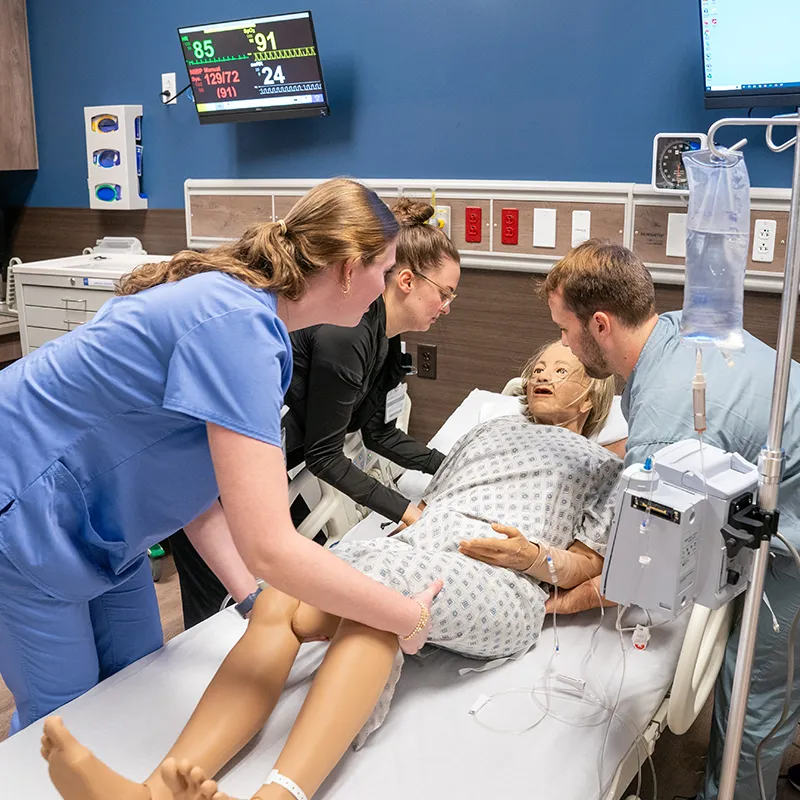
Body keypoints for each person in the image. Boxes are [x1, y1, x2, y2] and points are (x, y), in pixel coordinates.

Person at [39, 341, 622, 800]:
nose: (544, 375)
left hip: (503, 579)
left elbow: (590, 568)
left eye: (564, 370)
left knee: (374, 602)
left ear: (592, 397)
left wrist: (535, 558)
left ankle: (276, 795)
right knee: (280, 599)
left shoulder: (600, 462)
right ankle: (161, 786)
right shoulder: (489, 428)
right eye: (540, 366)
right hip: (419, 548)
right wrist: (406, 534)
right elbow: (436, 500)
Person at [0, 178, 442, 739]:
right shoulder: (237, 326)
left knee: (135, 683)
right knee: (64, 724)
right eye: (385, 269)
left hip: (106, 525)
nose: (385, 286)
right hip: (24, 516)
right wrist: (407, 616)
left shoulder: (254, 318)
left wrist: (253, 598)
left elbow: (194, 481)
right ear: (351, 268)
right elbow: (272, 546)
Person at [538, 238, 800, 800]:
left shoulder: (668, 407)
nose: (561, 343)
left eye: (564, 330)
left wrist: (566, 599)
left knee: (756, 695)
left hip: (792, 539)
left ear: (601, 324)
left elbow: (641, 568)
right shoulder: (680, 329)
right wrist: (593, 456)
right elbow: (662, 440)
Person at [171, 198, 462, 628]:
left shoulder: (383, 338)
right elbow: (325, 456)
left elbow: (377, 432)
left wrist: (452, 466)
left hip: (250, 471)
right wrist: (408, 513)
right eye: (446, 293)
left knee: (244, 610)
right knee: (214, 621)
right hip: (213, 482)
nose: (448, 306)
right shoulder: (344, 336)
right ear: (403, 279)